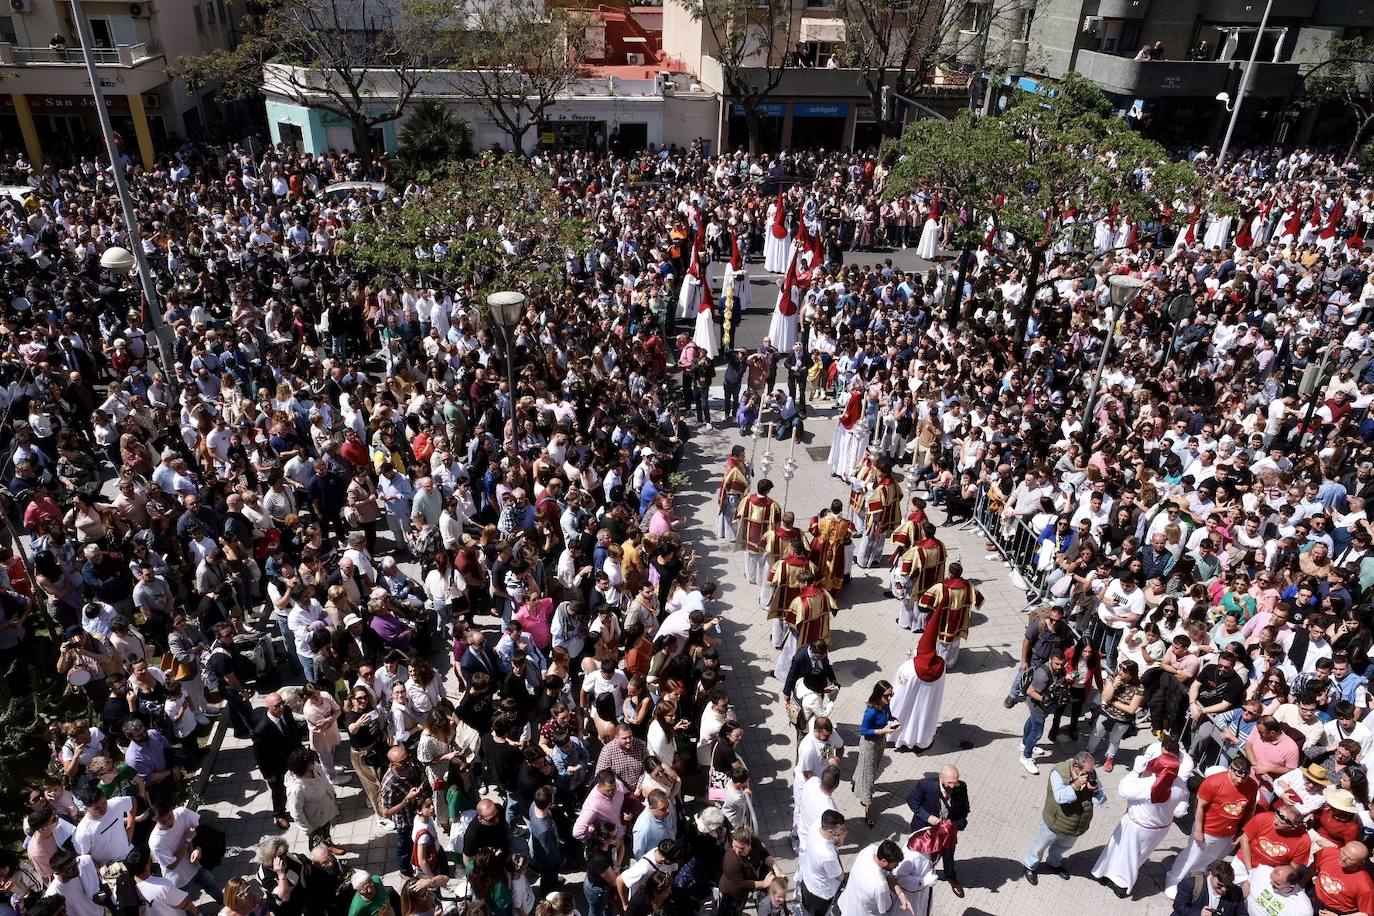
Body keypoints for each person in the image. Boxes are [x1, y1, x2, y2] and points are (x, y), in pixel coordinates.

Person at [1089, 738, 1190, 897]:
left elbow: (1123, 790)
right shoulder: (1180, 785)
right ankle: (1115, 879)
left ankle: (1119, 883)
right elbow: (1180, 810)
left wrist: (1135, 772)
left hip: (1135, 826)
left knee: (1117, 849)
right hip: (1157, 830)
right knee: (1136, 857)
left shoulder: (1148, 785)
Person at [1162, 756, 1257, 900]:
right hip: (1208, 830)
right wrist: (1199, 830)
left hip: (1228, 833)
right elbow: (1200, 807)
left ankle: (1196, 880)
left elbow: (1249, 810)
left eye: (1244, 778)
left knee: (1211, 859)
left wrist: (1241, 831)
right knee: (1191, 856)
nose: (1240, 781)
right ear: (1230, 769)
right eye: (1237, 776)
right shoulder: (1213, 782)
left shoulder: (1251, 786)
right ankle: (1174, 879)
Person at [1022, 751, 1107, 884]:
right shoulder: (1059, 773)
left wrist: (1095, 790)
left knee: (1063, 846)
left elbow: (1101, 800)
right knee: (1040, 845)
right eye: (1087, 772)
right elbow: (1060, 797)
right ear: (1076, 767)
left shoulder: (1091, 774)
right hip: (1055, 822)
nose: (1090, 774)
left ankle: (1054, 863)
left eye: (1092, 771)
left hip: (1076, 825)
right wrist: (1075, 785)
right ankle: (1030, 866)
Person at [886, 603, 946, 751]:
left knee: (904, 712)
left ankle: (895, 738)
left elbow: (897, 694)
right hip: (926, 704)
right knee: (923, 715)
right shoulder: (941, 665)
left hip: (905, 706)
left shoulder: (909, 668)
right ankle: (920, 740)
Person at [906, 764, 970, 898]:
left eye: (955, 782)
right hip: (925, 830)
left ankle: (951, 877)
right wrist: (928, 817)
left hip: (947, 831)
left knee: (949, 855)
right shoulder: (925, 786)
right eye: (949, 782)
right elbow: (912, 801)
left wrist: (956, 824)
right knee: (921, 856)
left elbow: (965, 808)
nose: (953, 786)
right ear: (941, 778)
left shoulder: (961, 787)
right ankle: (916, 877)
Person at [252, 691, 304, 831]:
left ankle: (298, 808)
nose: (281, 707)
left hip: (293, 758)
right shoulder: (261, 729)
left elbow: (293, 730)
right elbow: (260, 755)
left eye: (282, 703)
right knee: (278, 791)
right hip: (276, 766)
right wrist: (268, 774)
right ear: (268, 708)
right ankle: (279, 814)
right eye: (277, 706)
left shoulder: (285, 711)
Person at [913, 561, 983, 666]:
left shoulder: (941, 587)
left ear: (950, 573)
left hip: (944, 623)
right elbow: (980, 601)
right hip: (960, 623)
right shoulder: (969, 586)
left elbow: (923, 605)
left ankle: (941, 666)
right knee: (955, 643)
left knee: (943, 645)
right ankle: (951, 663)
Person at [854, 680, 898, 828]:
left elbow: (889, 716)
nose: (890, 698)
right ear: (879, 694)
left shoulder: (885, 705)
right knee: (869, 776)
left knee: (869, 768)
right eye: (887, 695)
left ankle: (855, 781)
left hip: (880, 742)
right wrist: (882, 731)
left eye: (891, 694)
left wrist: (894, 721)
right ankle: (868, 805)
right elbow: (863, 730)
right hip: (869, 744)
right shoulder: (871, 711)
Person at [836, 840, 911, 915]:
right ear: (884, 861)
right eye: (895, 864)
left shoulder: (869, 850)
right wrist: (891, 897)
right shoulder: (880, 886)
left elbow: (887, 874)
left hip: (845, 903)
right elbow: (886, 908)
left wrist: (901, 895)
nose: (896, 866)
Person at [796, 809, 845, 916]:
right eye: (841, 829)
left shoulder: (816, 826)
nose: (843, 830)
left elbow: (833, 843)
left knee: (806, 909)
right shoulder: (828, 855)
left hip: (808, 881)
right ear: (830, 832)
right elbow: (840, 877)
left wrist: (838, 840)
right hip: (821, 894)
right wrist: (841, 840)